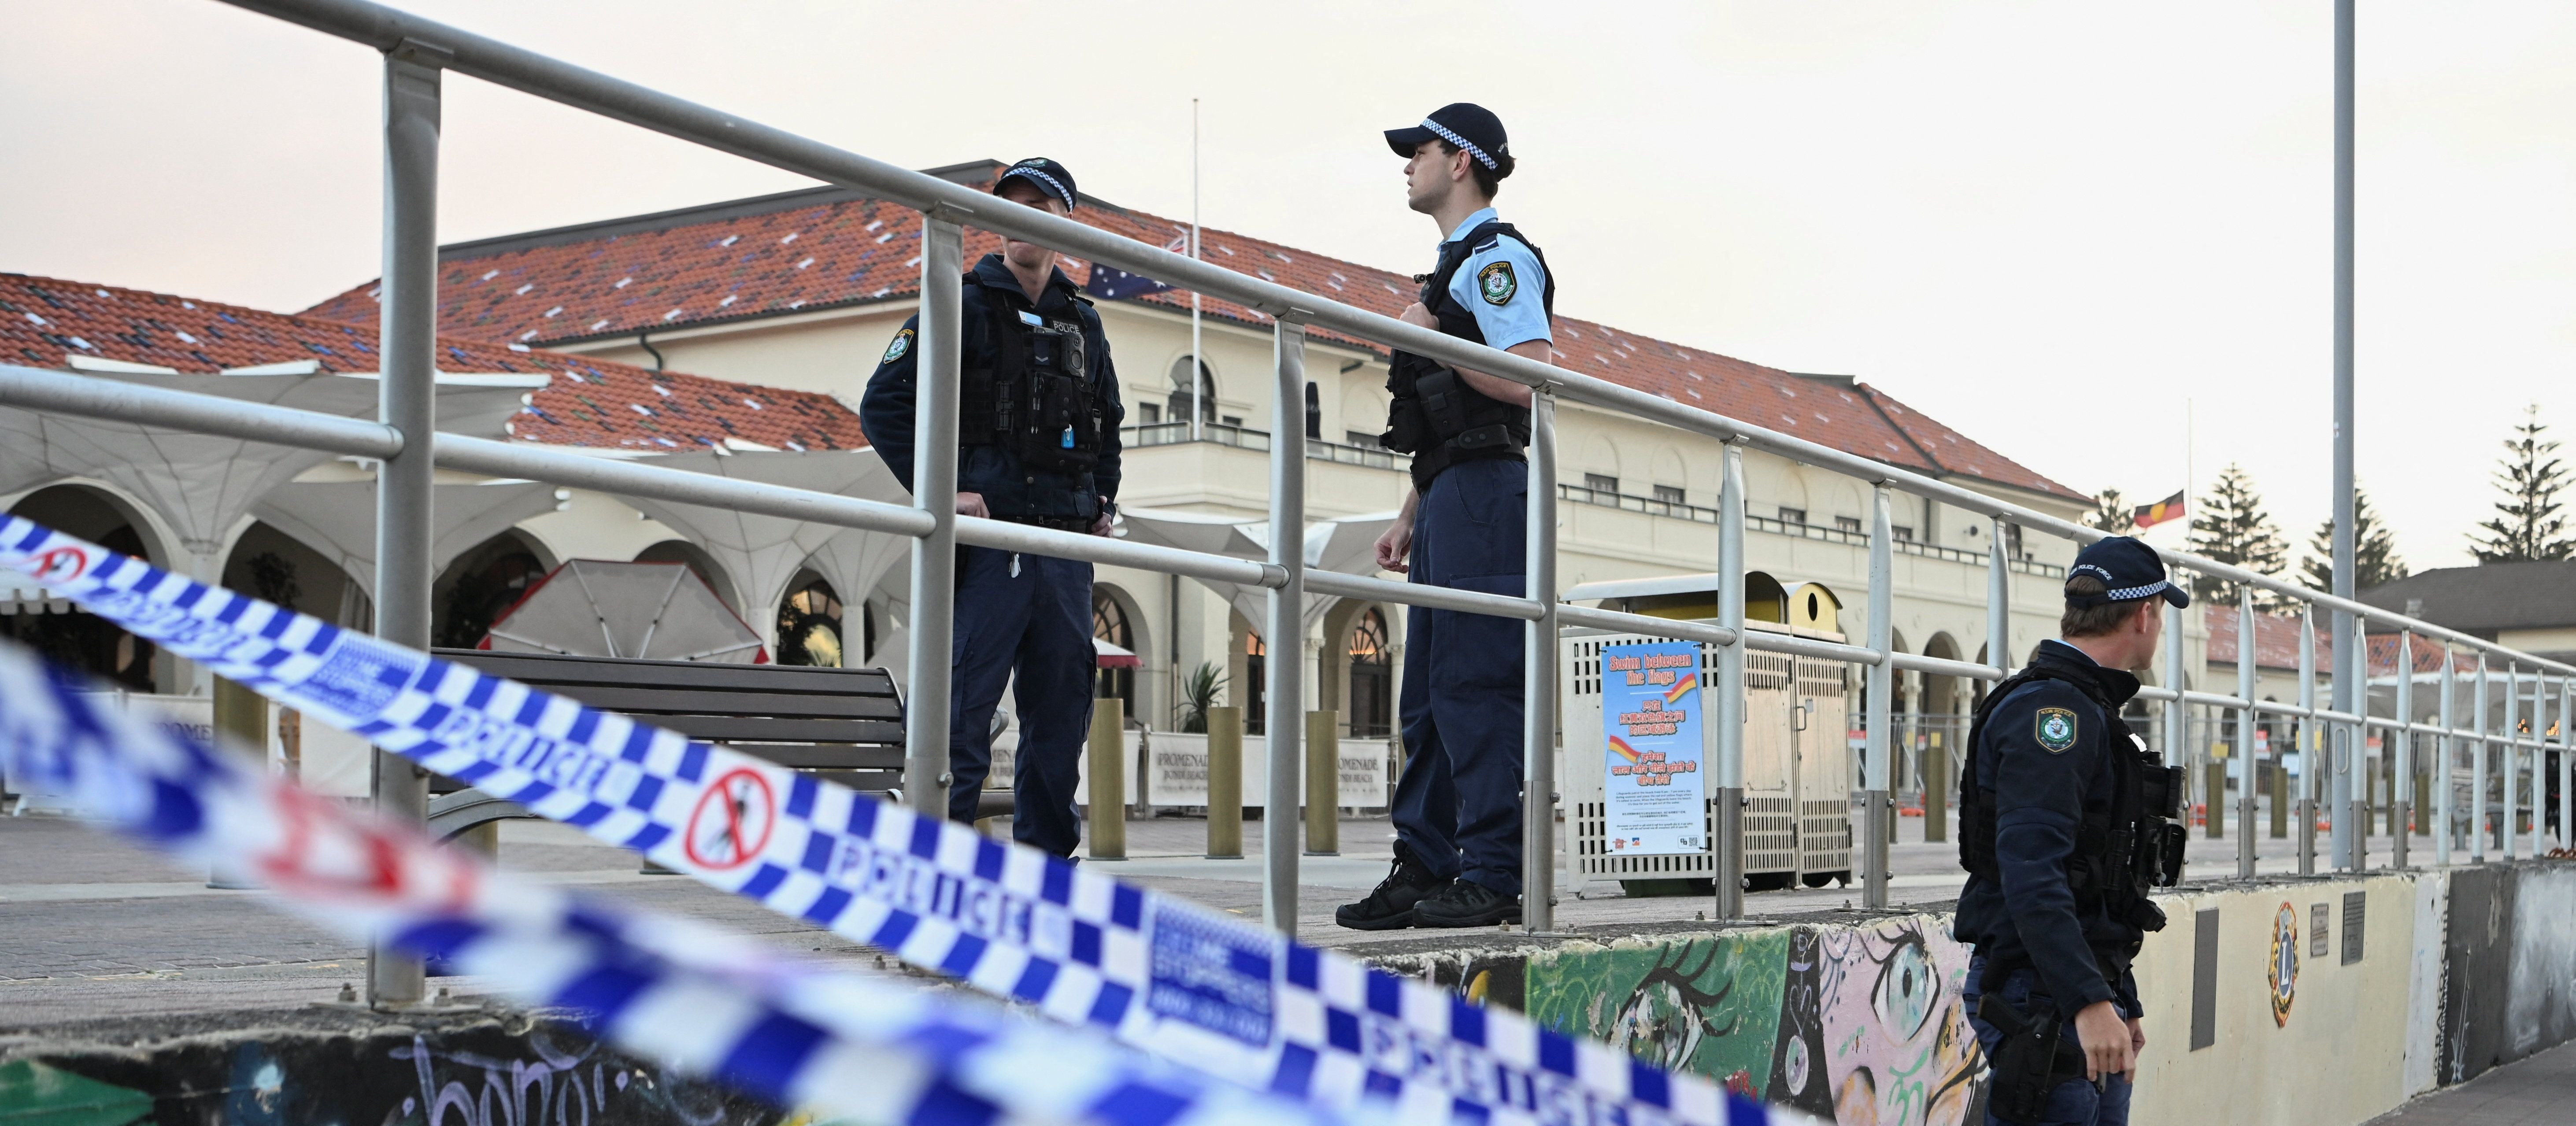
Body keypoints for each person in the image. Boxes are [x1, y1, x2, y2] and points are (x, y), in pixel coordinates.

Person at [858, 158, 1123, 859]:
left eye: (1038, 205)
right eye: (1009, 204)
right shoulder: (959, 301)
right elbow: (884, 405)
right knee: (957, 721)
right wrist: (939, 489)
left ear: (1065, 222)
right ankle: (933, 876)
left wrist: (1102, 500)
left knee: (1060, 720)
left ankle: (1047, 874)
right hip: (989, 548)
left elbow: (1109, 422)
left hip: (1064, 551)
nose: (1019, 217)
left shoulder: (1083, 323)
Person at [1336, 104, 1555, 930]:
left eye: (1419, 151)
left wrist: (1432, 334)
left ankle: (1495, 870)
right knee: (1426, 695)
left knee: (1477, 684)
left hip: (1490, 497)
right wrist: (1409, 513)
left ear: (1461, 162)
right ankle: (1424, 863)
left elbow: (1529, 379)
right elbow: (1448, 416)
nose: (1407, 165)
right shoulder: (1450, 268)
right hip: (1450, 494)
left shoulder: (1495, 259)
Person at [1954, 537, 2190, 1126]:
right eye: (2160, 613)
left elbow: (2098, 884)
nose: (2158, 627)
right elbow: (2033, 876)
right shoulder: (2053, 718)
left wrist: (2117, 998)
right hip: (2040, 992)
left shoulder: (2088, 709)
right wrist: (2088, 1002)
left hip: (2076, 985)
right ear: (2143, 614)